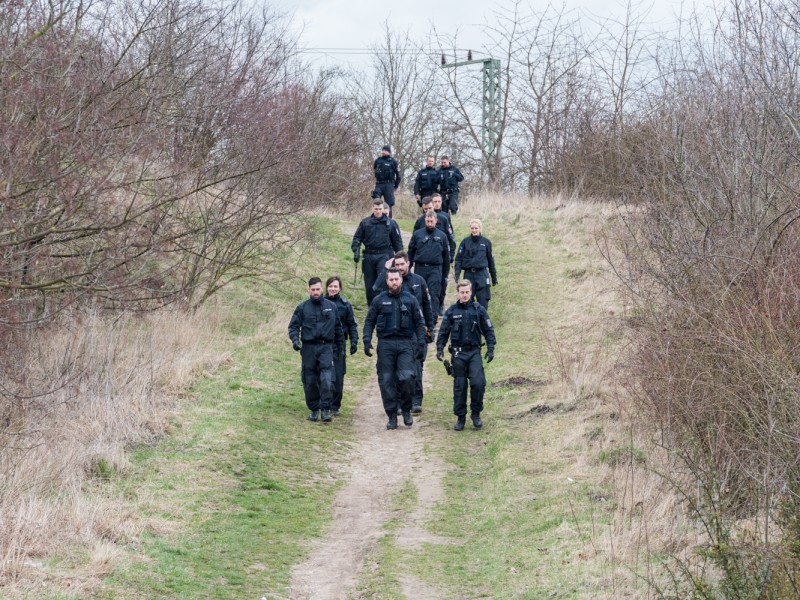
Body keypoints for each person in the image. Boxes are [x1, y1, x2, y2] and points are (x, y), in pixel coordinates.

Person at [363, 268, 427, 429]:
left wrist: (421, 343)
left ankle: (406, 410)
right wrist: (366, 340)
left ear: (400, 280)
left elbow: (419, 323)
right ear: (387, 281)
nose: (394, 282)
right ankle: (392, 415)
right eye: (390, 280)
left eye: (396, 279)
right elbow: (369, 321)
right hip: (385, 344)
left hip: (405, 343)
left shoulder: (411, 300)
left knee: (407, 378)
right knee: (386, 381)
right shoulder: (379, 300)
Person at [373, 251, 435, 413]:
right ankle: (400, 403)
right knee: (398, 369)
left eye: (402, 264)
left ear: (408, 263)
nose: (399, 267)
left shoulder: (419, 281)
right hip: (398, 333)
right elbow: (376, 289)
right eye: (397, 265)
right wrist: (385, 270)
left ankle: (416, 400)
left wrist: (430, 329)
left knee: (416, 366)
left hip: (416, 330)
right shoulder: (391, 280)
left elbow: (427, 308)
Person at [436, 279, 497, 431]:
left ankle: (476, 413)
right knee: (460, 386)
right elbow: (443, 332)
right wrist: (439, 348)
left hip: (474, 352)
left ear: (471, 292)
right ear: (458, 293)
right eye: (462, 292)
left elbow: (488, 330)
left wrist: (490, 348)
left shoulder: (479, 310)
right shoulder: (451, 311)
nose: (464, 295)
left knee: (478, 383)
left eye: (467, 292)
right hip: (458, 354)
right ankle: (460, 417)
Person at [288, 277, 345, 423]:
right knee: (310, 380)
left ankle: (326, 409)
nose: (315, 292)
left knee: (327, 379)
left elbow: (338, 329)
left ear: (322, 289)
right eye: (312, 289)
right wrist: (295, 340)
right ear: (308, 289)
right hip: (308, 348)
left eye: (318, 289)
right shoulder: (302, 307)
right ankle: (314, 409)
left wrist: (341, 349)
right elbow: (293, 326)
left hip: (326, 347)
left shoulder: (331, 307)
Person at [352, 198, 404, 305]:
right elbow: (357, 238)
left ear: (383, 209)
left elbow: (397, 243)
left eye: (380, 209)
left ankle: (383, 305)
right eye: (376, 209)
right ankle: (371, 307)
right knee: (369, 284)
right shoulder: (365, 223)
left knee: (382, 283)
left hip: (383, 255)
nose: (378, 211)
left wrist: (399, 258)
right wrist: (356, 250)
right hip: (368, 256)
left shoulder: (391, 223)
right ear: (372, 208)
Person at [324, 275, 359, 416]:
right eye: (331, 286)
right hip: (324, 344)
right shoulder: (321, 303)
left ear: (340, 288)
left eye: (335, 286)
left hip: (339, 344)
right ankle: (324, 403)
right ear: (327, 287)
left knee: (338, 376)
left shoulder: (346, 305)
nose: (333, 289)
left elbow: (352, 325)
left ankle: (335, 405)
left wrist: (354, 341)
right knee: (325, 376)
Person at [408, 210, 450, 320]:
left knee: (434, 294)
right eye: (427, 221)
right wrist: (408, 268)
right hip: (420, 268)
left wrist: (445, 275)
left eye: (432, 221)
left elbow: (446, 257)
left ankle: (432, 320)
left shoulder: (442, 236)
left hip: (435, 269)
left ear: (436, 221)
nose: (429, 223)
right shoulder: (417, 234)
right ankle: (419, 319)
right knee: (419, 293)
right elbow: (410, 252)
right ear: (425, 220)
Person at [453, 219, 497, 311]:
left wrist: (494, 277)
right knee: (467, 302)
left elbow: (491, 261)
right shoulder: (465, 242)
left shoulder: (486, 242)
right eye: (472, 228)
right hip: (469, 275)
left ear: (480, 228)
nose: (474, 230)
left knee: (483, 302)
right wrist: (457, 274)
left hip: (482, 275)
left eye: (476, 228)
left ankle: (482, 323)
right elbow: (458, 259)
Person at [430, 193, 456, 313]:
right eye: (434, 201)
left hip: (443, 254)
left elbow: (451, 236)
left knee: (443, 281)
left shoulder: (445, 216)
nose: (437, 203)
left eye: (438, 201)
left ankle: (441, 302)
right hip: (430, 254)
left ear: (441, 202)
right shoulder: (427, 217)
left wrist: (451, 254)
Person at [373, 145, 401, 217]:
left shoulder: (393, 162)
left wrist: (396, 185)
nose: (383, 152)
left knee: (389, 203)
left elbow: (398, 175)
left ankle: (389, 220)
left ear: (389, 152)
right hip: (379, 184)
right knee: (376, 200)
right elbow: (375, 171)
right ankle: (376, 217)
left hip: (389, 184)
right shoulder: (378, 160)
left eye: (385, 150)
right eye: (383, 150)